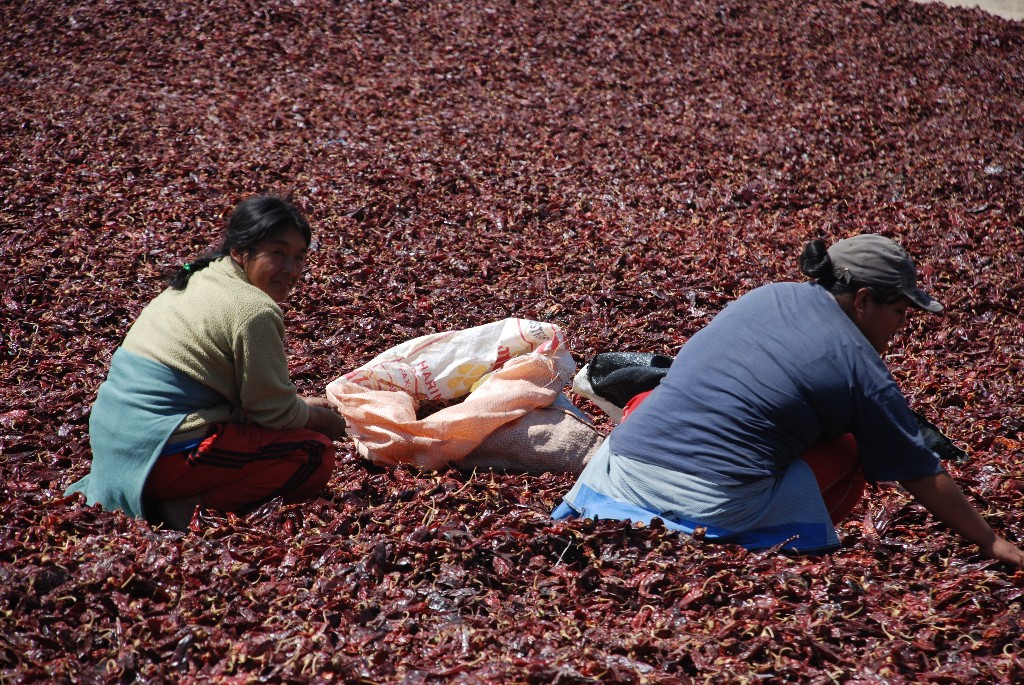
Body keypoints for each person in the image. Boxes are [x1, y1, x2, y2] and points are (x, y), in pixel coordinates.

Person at [554, 234, 1024, 567]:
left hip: (612, 474)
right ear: (863, 300)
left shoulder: (768, 296)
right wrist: (991, 542)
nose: (901, 326)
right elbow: (919, 471)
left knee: (656, 399)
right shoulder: (861, 368)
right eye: (900, 311)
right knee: (851, 448)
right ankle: (785, 541)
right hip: (705, 509)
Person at [66, 195, 348, 530]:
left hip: (115, 442)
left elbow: (238, 392)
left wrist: (299, 405)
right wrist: (320, 420)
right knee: (314, 453)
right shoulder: (254, 310)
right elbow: (272, 413)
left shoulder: (200, 276)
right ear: (240, 251)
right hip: (161, 451)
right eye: (277, 252)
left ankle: (170, 493)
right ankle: (189, 505)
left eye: (299, 257)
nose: (291, 269)